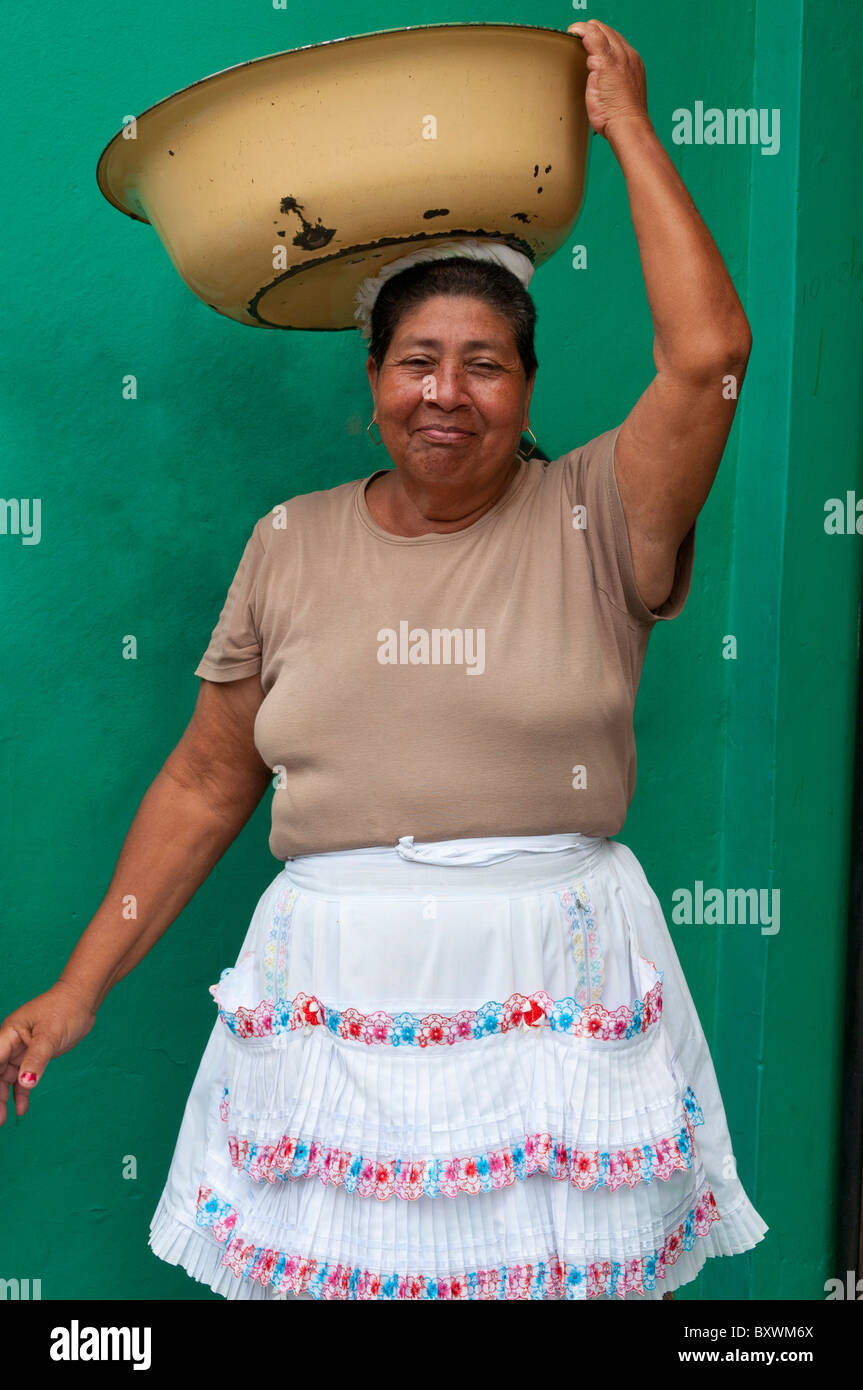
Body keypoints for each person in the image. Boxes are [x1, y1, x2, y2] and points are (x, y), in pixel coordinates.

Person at [0, 19, 767, 1299]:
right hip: (334, 996)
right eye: (416, 360)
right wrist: (80, 986)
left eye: (483, 364)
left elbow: (709, 357)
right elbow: (204, 782)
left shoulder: (602, 513)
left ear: (528, 385)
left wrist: (625, 124)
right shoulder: (288, 543)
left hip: (554, 983)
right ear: (371, 381)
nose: (444, 392)